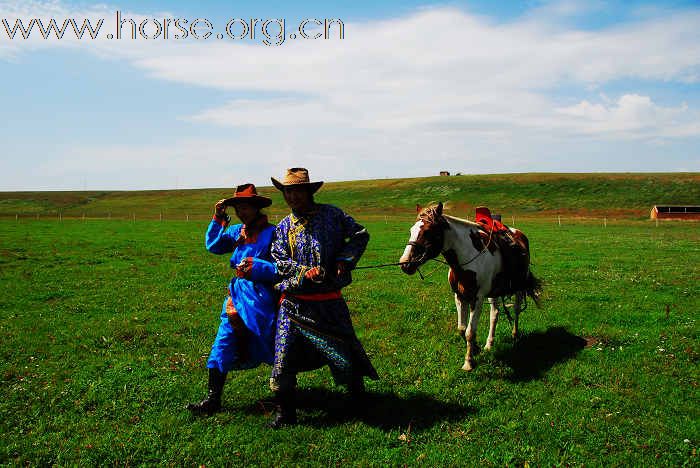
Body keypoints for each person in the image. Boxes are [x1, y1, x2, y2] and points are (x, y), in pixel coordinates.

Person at [267, 167, 378, 428]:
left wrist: (344, 260)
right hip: (294, 304)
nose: (292, 196)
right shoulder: (283, 227)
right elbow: (280, 261)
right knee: (283, 356)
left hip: (329, 301)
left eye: (297, 190)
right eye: (287, 191)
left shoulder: (333, 215)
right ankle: (285, 412)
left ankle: (357, 400)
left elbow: (360, 235)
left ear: (309, 191)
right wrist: (305, 273)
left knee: (345, 351)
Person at [187, 184, 278, 415]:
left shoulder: (272, 233)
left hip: (261, 297)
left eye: (246, 207)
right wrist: (218, 218)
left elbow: (280, 267)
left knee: (269, 341)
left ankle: (284, 391)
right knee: (223, 340)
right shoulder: (237, 231)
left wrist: (257, 267)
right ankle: (212, 399)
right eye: (238, 207)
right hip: (236, 297)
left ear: (256, 207)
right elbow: (214, 246)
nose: (242, 212)